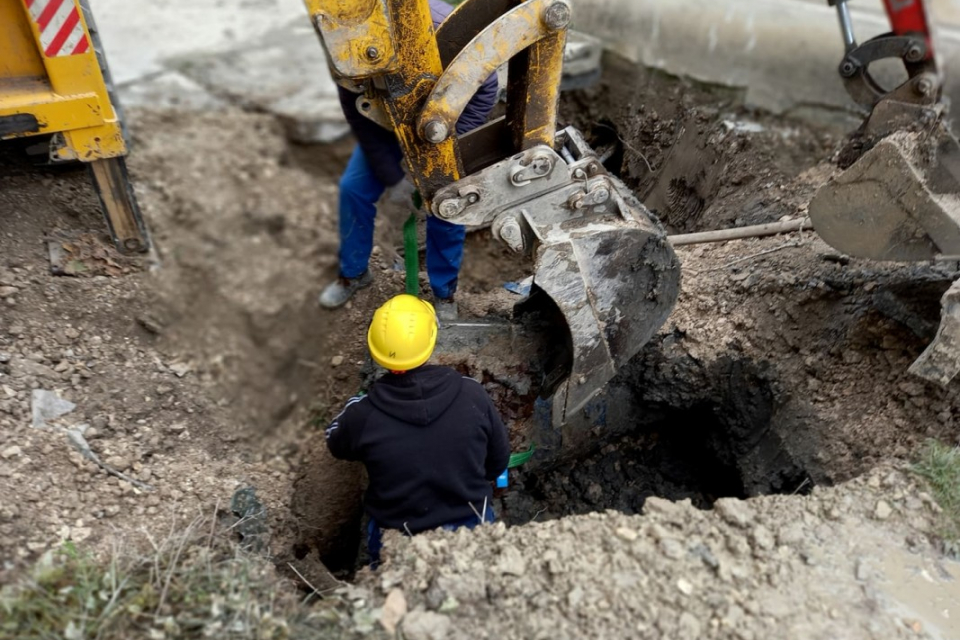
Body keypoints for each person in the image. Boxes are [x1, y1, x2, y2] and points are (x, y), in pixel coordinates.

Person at [319, 0, 500, 320]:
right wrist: (394, 178)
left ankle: (444, 294)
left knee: (447, 203)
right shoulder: (343, 40)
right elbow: (358, 116)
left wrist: (448, 140)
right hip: (386, 124)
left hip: (441, 129)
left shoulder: (438, 29)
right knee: (353, 189)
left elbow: (486, 85)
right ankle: (354, 273)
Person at [325, 294, 510, 567]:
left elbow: (335, 442)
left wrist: (358, 406)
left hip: (398, 538)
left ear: (375, 351)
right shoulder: (472, 394)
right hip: (472, 526)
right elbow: (498, 462)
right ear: (432, 342)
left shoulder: (363, 414)